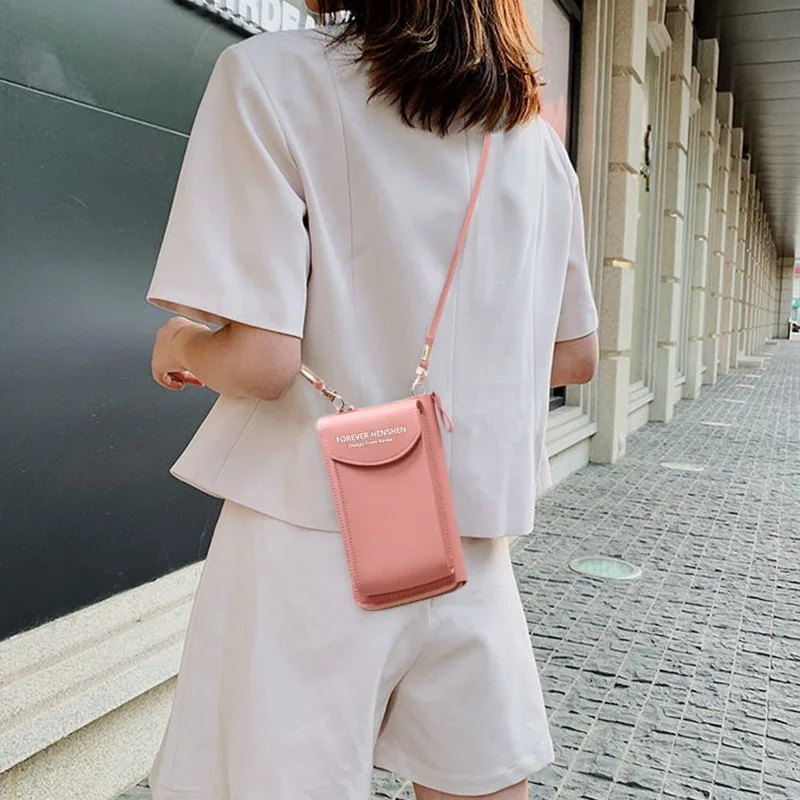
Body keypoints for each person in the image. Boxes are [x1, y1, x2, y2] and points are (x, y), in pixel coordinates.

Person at [146, 1, 598, 798]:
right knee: (480, 783)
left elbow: (261, 362)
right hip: (465, 545)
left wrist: (180, 343)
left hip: (308, 535)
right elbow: (576, 355)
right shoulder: (531, 141)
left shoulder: (272, 78)